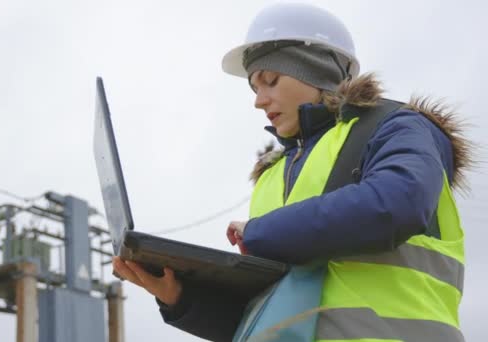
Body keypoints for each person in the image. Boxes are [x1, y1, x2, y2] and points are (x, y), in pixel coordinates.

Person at [112, 2, 471, 341]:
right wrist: (180, 297)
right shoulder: (271, 177)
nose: (258, 99)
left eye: (271, 80)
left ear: (320, 72)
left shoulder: (396, 127)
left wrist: (259, 232)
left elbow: (397, 203)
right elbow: (268, 315)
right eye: (254, 87)